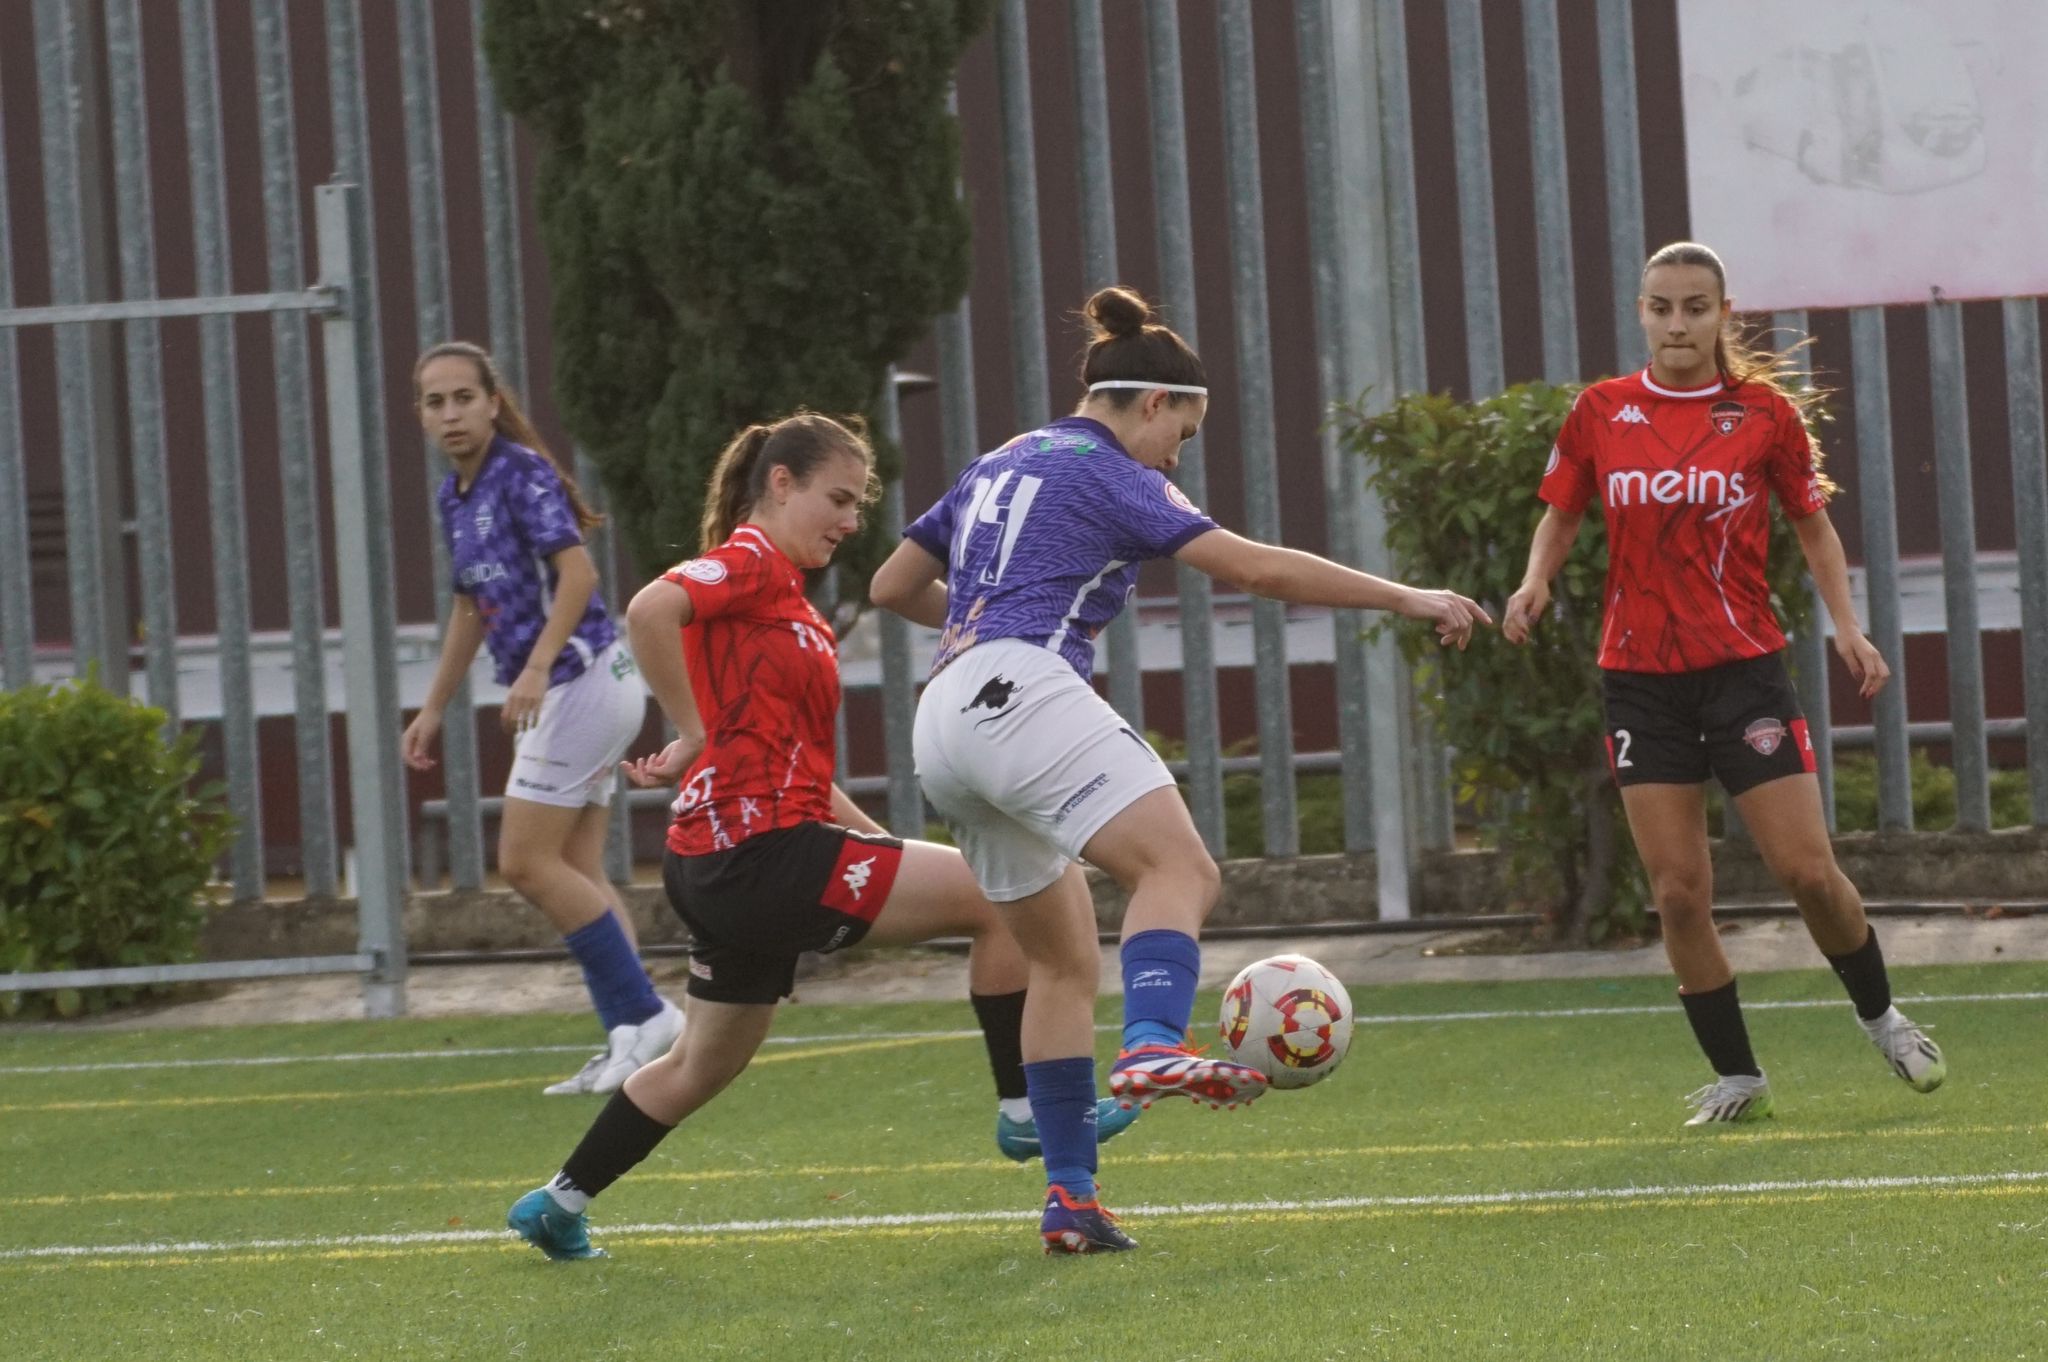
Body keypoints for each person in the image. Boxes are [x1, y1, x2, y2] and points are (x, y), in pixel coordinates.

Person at [870, 286, 1491, 1253]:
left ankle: (1070, 1199)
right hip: (1020, 684)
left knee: (1061, 961)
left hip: (942, 714)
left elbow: (889, 586)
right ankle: (1155, 1041)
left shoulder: (1000, 459)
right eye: (1184, 435)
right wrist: (1408, 597)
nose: (1178, 457)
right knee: (1181, 871)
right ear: (1152, 403)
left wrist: (977, 629)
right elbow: (1256, 572)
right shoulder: (1111, 467)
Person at [506, 411, 1138, 1262]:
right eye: (836, 498)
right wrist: (688, 730)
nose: (849, 520)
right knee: (1005, 900)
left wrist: (878, 844)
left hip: (727, 862)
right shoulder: (752, 558)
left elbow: (795, 760)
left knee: (704, 1063)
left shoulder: (786, 598)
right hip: (760, 854)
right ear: (780, 483)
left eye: (857, 504)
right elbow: (651, 608)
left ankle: (557, 1202)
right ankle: (1026, 1112)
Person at [1502, 241, 1945, 1127]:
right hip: (1638, 680)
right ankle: (1740, 1078)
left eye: (1695, 307)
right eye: (1662, 306)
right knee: (1677, 892)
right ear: (1641, 312)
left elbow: (1814, 529)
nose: (1677, 323)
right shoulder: (1601, 410)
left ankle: (1882, 1018)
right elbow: (1562, 509)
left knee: (1808, 873)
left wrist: (1847, 626)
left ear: (1722, 315)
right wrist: (1535, 578)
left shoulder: (1764, 415)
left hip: (1744, 673)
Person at [403, 341, 681, 1096]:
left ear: (494, 403)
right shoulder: (453, 497)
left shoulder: (519, 474)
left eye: (465, 397)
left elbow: (579, 573)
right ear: (422, 416)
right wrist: (433, 705)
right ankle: (634, 1041)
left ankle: (649, 1016)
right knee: (578, 869)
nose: (452, 413)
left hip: (582, 681)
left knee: (525, 863)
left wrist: (531, 669)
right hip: (580, 685)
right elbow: (471, 605)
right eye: (436, 402)